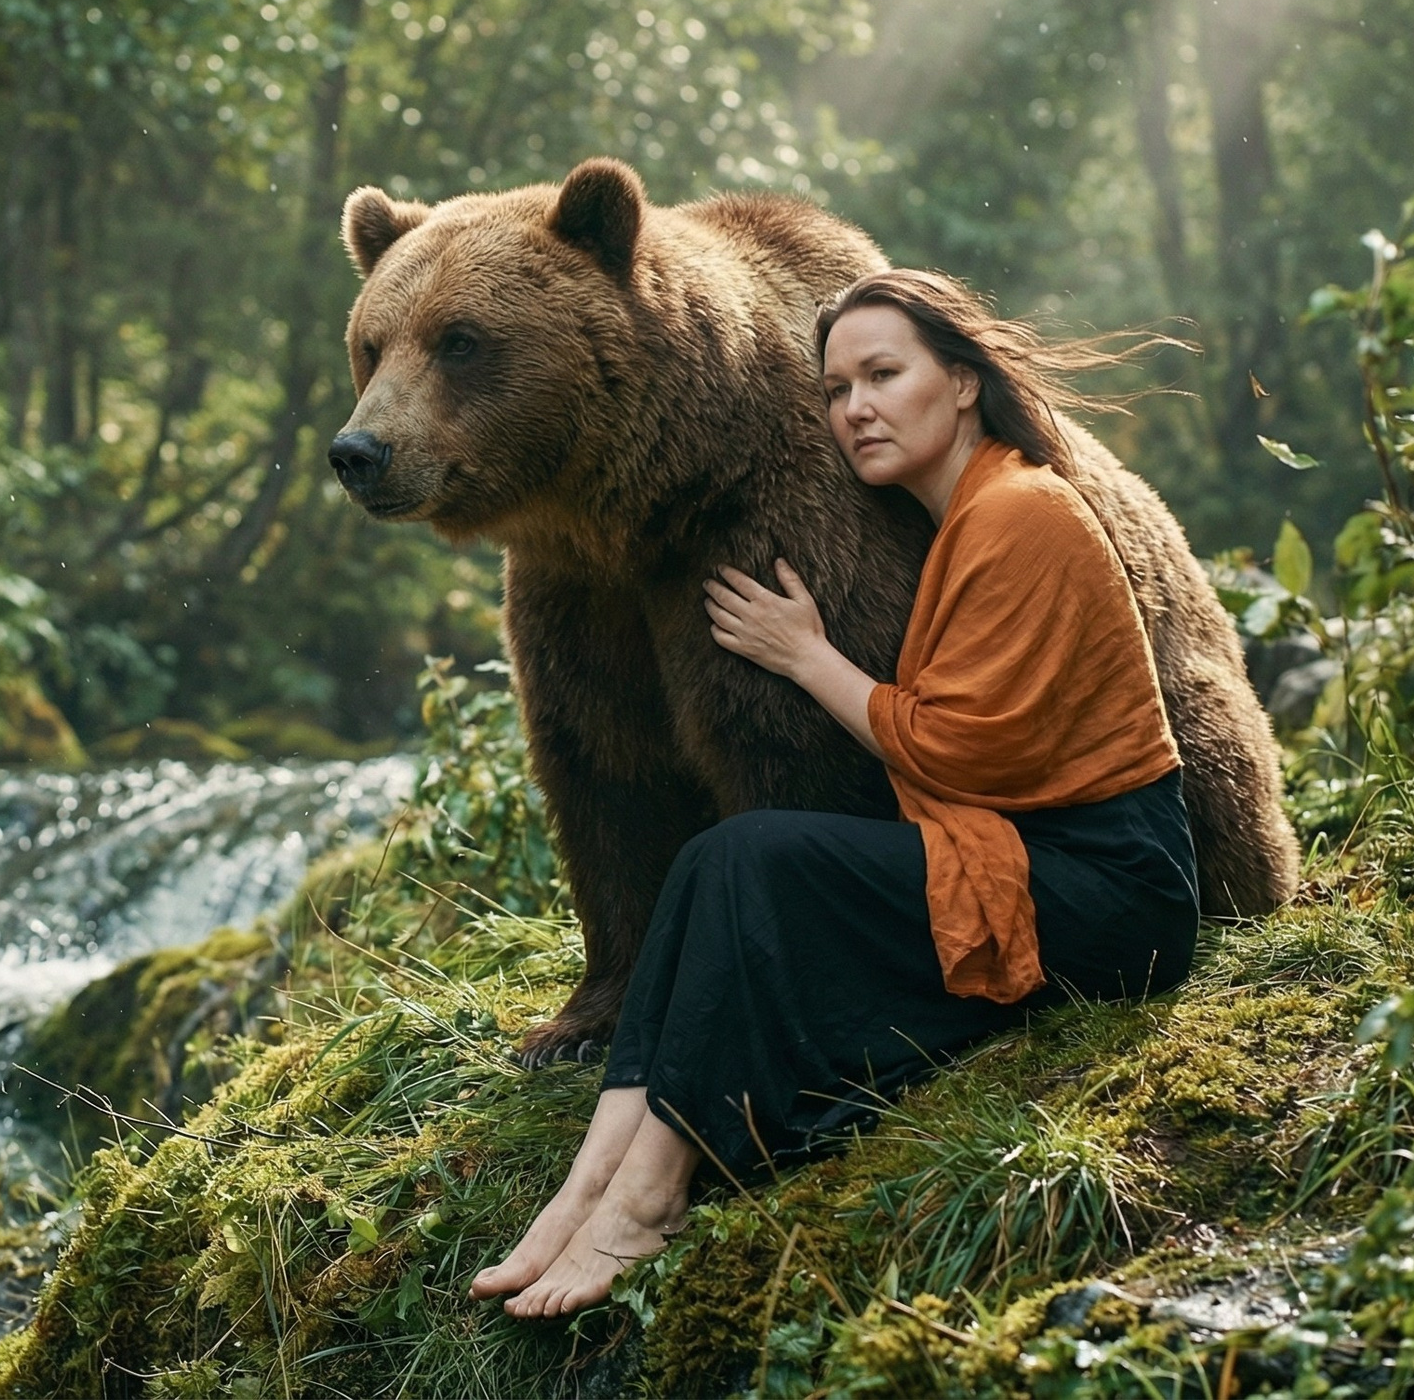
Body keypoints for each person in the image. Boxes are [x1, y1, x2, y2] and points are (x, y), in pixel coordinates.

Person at [471, 268, 1202, 1319]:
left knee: (750, 857)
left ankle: (646, 1198)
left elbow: (958, 750)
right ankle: (588, 1183)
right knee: (708, 866)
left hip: (1111, 890)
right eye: (834, 389)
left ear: (962, 382)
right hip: (1035, 857)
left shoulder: (1023, 512)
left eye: (883, 376)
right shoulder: (965, 513)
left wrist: (807, 657)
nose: (854, 408)